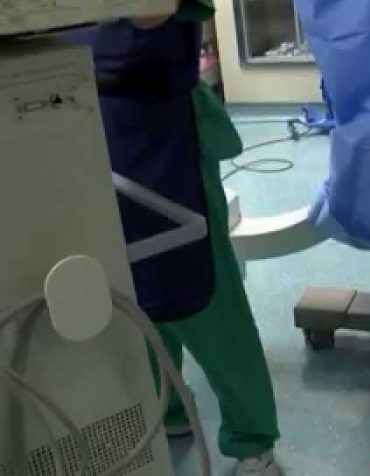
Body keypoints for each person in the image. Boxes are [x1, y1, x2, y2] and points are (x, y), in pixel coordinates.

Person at [73, 2, 282, 474]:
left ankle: (251, 436)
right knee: (134, 287)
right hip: (90, 121)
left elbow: (150, 12)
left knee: (204, 295)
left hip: (164, 133)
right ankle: (166, 406)